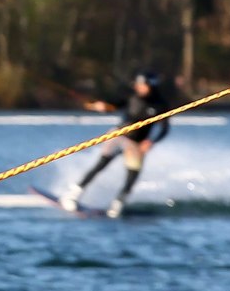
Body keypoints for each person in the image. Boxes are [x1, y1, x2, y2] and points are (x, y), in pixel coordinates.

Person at [59, 70, 173, 218]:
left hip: (137, 143)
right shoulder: (132, 97)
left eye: (142, 85)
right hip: (120, 135)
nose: (139, 88)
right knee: (102, 163)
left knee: (132, 175)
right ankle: (73, 194)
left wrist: (151, 141)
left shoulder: (160, 105)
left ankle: (118, 204)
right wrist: (103, 106)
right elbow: (114, 104)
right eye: (137, 85)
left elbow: (164, 129)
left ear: (151, 85)